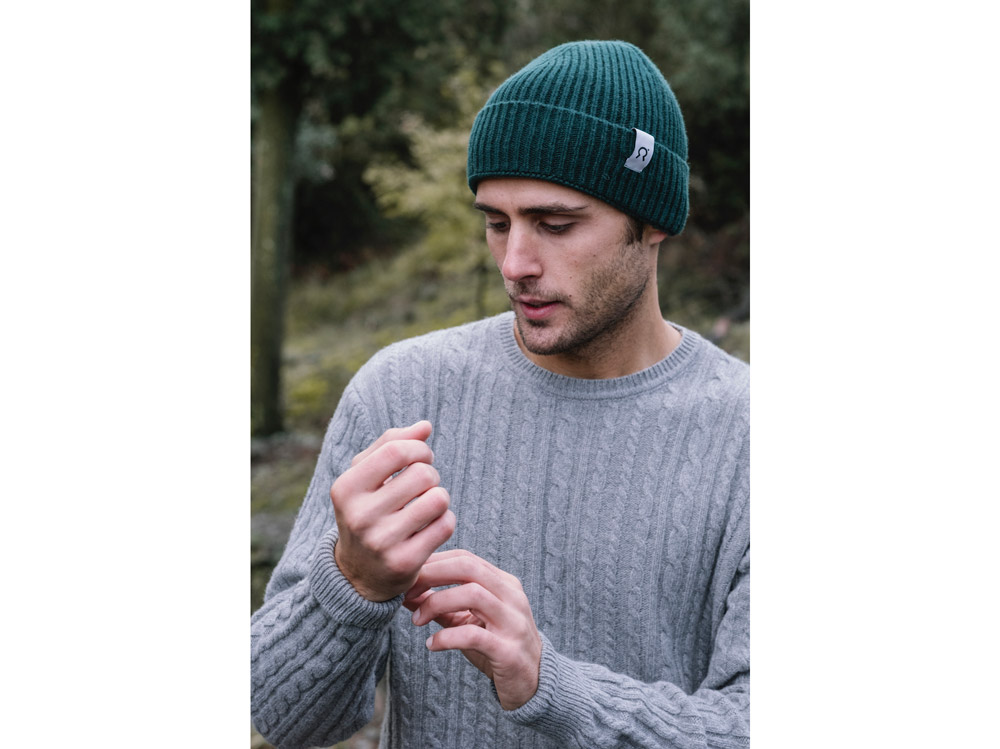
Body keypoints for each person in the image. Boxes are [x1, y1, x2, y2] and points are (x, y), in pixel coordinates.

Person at [251, 40, 749, 749]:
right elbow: (282, 718)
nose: (515, 263)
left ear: (654, 221)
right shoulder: (401, 395)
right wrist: (351, 584)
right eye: (496, 222)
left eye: (556, 225)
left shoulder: (747, 436)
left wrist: (552, 686)